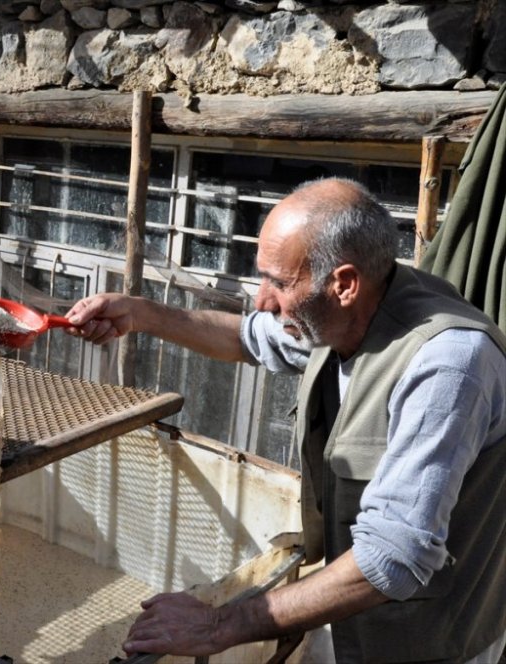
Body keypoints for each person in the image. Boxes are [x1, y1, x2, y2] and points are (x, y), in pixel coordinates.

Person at [65, 178, 506, 663]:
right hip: (350, 615)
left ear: (344, 283)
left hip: (432, 641)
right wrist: (140, 314)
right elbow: (247, 337)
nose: (261, 299)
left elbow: (394, 557)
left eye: (279, 282)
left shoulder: (448, 361)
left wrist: (219, 625)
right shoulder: (346, 313)